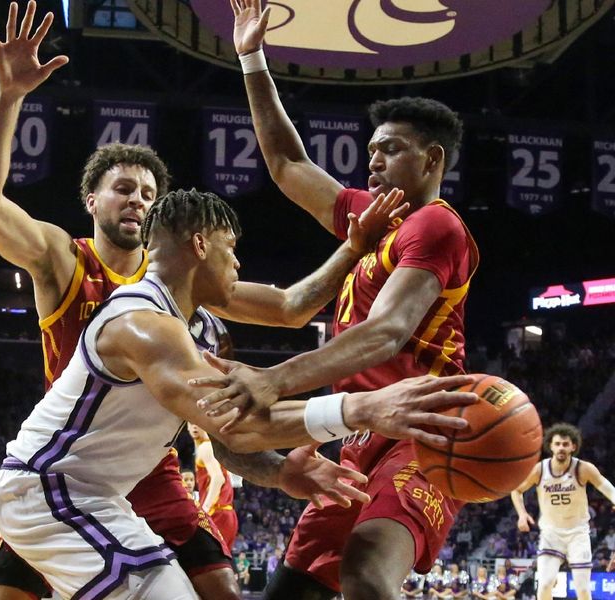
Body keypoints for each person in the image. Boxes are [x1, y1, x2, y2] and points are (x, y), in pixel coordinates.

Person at [0, 3, 420, 600]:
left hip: (141, 467)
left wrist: (354, 248)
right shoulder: (74, 268)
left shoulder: (198, 314)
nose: (136, 199)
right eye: (123, 188)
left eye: (148, 192)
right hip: (67, 465)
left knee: (211, 590)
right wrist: (8, 96)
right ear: (92, 200)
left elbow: (288, 309)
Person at [0, 188, 477, 599]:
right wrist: (361, 408)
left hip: (96, 496)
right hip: (46, 489)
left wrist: (282, 470)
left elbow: (227, 439)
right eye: (232, 247)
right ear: (200, 245)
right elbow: (237, 425)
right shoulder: (141, 324)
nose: (238, 261)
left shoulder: (196, 329)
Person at [190, 3, 479, 599]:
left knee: (367, 577)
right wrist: (251, 58)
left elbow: (385, 332)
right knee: (291, 591)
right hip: (356, 435)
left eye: (391, 149)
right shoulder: (367, 221)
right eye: (371, 149)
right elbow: (287, 162)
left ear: (432, 159)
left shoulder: (434, 226)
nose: (373, 160)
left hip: (418, 430)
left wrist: (274, 380)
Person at [511, 423, 615, 600]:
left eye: (565, 444)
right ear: (550, 446)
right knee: (544, 585)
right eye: (557, 444)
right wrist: (522, 514)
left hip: (578, 534)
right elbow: (516, 490)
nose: (561, 448)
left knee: (583, 590)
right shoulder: (539, 469)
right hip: (551, 534)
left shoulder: (583, 468)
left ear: (573, 447)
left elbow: (608, 488)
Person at [188, 422, 239, 550]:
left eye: (197, 422)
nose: (194, 426)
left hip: (216, 511)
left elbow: (218, 478)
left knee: (206, 561)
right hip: (226, 513)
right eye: (190, 423)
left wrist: (204, 508)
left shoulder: (205, 447)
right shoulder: (211, 447)